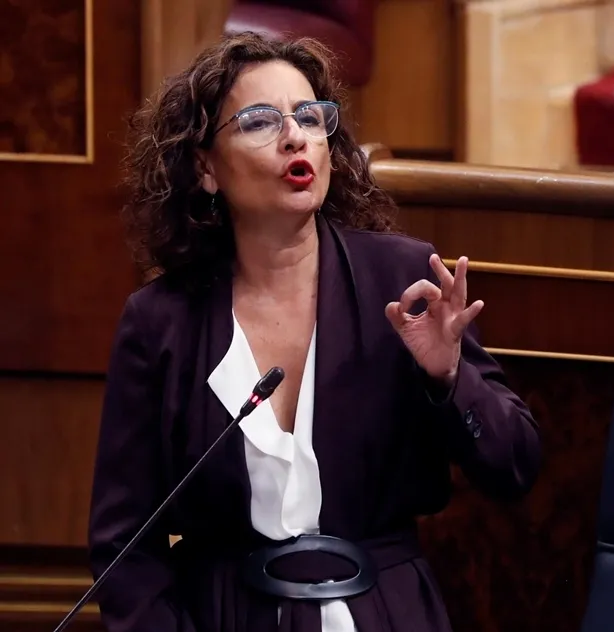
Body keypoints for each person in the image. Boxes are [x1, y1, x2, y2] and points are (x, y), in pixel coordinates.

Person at [87, 31, 541, 632]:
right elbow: (124, 549)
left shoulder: (402, 280)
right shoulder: (161, 323)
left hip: (385, 613)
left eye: (309, 117)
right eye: (259, 122)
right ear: (205, 168)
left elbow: (515, 465)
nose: (295, 136)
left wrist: (449, 378)